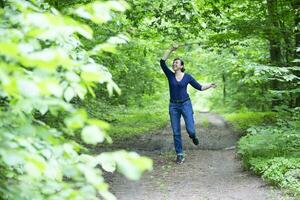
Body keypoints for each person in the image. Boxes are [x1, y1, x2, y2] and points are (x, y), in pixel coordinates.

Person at [160, 44, 217, 164]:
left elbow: (200, 87)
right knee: (176, 131)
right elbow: (162, 62)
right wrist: (171, 49)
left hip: (185, 104)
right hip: (173, 106)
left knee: (190, 129)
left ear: (181, 66)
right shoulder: (170, 75)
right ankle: (179, 154)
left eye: (177, 63)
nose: (174, 64)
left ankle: (193, 136)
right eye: (173, 63)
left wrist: (210, 86)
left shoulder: (187, 77)